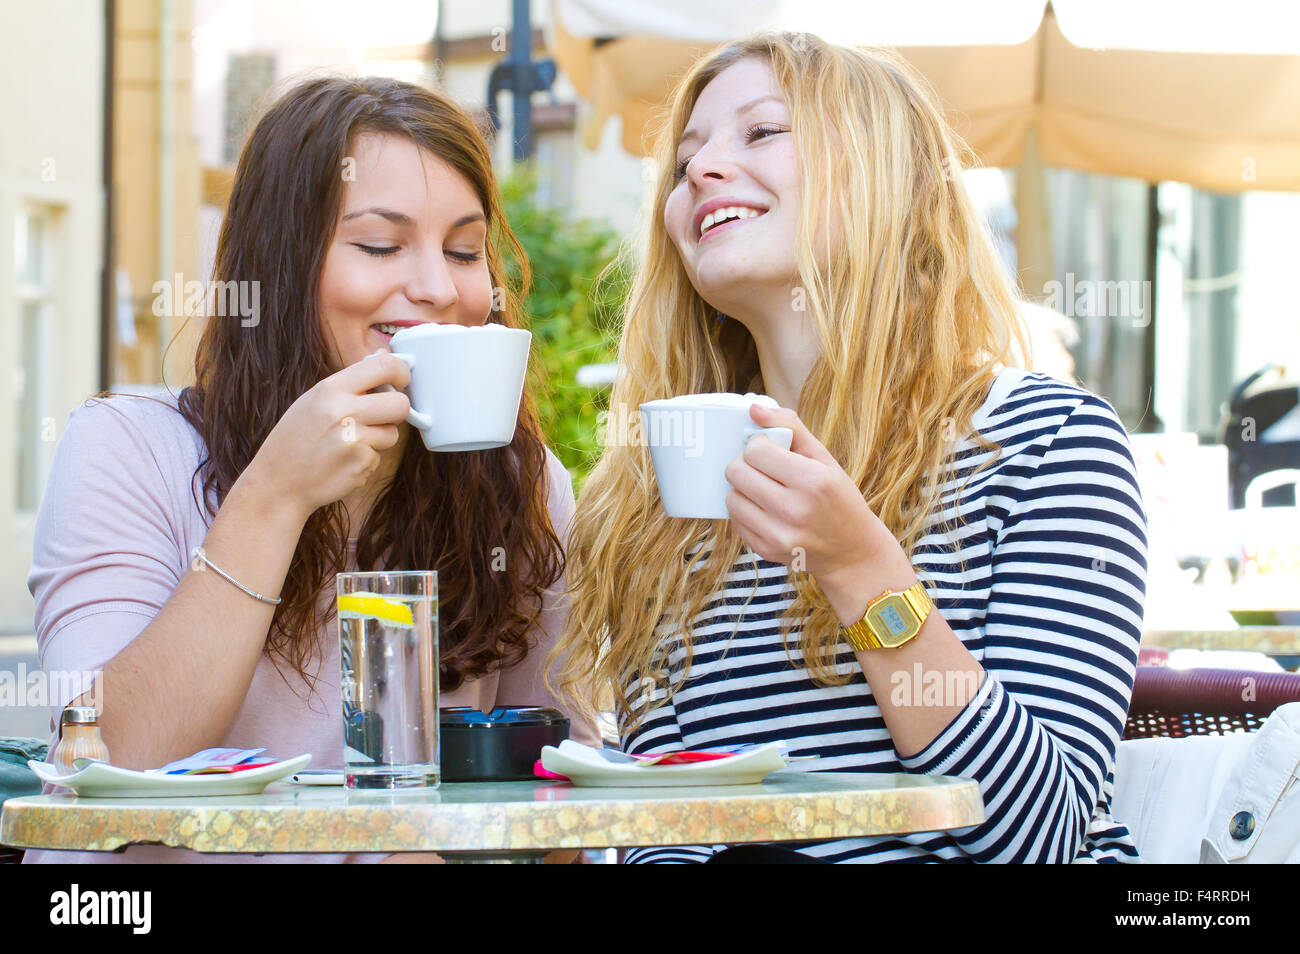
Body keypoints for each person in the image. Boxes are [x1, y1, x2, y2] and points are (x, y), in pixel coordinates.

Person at [553, 34, 1148, 863]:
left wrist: (858, 565)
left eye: (762, 133)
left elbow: (1038, 835)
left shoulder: (1046, 443)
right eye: (686, 155)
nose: (699, 170)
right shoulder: (661, 501)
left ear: (884, 178)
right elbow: (672, 830)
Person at [26, 76, 598, 863]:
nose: (438, 288)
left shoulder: (517, 487)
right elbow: (104, 761)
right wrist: (275, 495)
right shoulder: (126, 448)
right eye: (379, 245)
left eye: (465, 251)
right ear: (283, 266)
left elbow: (560, 811)